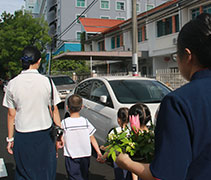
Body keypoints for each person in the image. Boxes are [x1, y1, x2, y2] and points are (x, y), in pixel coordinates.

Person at [116, 12, 211, 180]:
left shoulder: (179, 102)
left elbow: (165, 175)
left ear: (188, 56)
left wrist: (126, 162)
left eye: (177, 55)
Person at [2, 46, 62, 179]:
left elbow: (11, 114)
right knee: (46, 171)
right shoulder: (47, 82)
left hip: (23, 134)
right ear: (39, 61)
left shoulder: (12, 84)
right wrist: (60, 134)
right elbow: (54, 109)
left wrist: (10, 139)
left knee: (24, 172)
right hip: (45, 134)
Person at [61, 94, 102, 180]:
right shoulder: (85, 122)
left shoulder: (65, 123)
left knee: (73, 176)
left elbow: (61, 138)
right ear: (82, 107)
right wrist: (98, 151)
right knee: (84, 175)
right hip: (85, 155)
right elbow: (92, 137)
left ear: (67, 107)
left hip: (71, 155)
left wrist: (56, 149)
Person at [101, 107, 133, 180]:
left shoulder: (115, 132)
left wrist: (103, 155)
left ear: (118, 119)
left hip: (118, 160)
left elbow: (111, 147)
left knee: (119, 176)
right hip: (129, 160)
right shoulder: (131, 132)